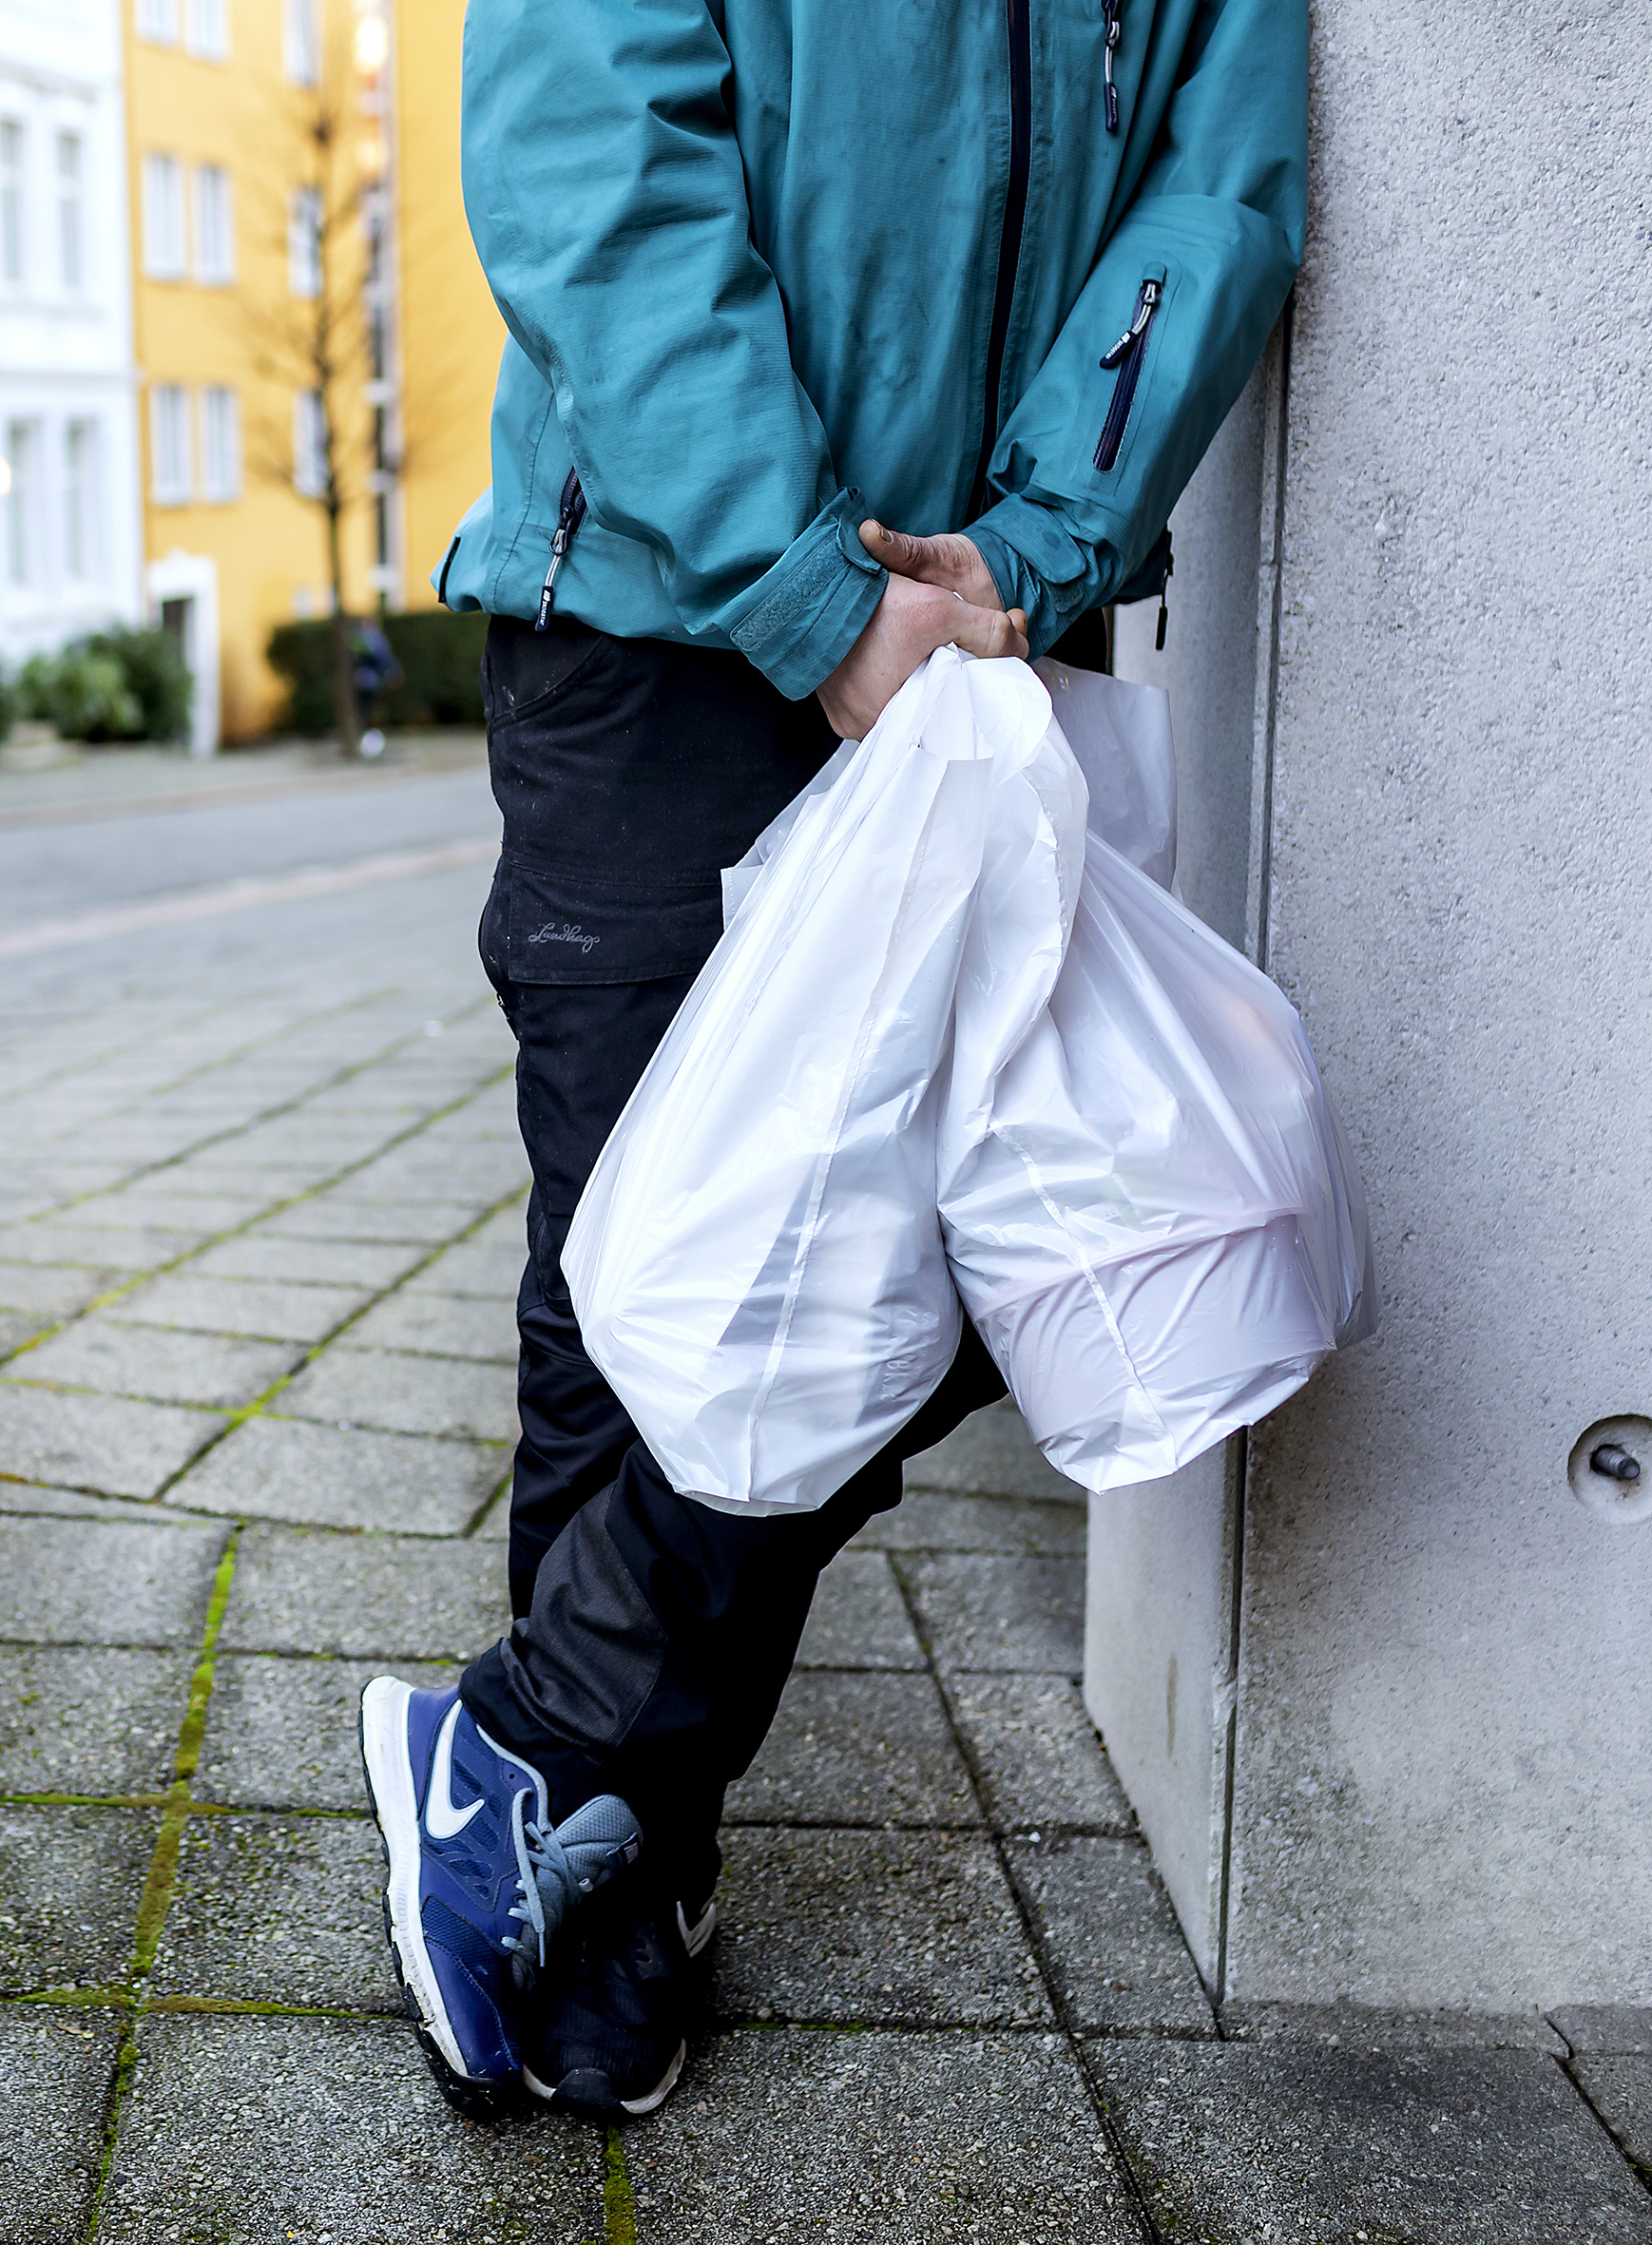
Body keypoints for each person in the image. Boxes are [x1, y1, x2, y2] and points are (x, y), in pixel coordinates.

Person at [358, 0, 1308, 2122]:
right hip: (655, 617)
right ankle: (620, 1856)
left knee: (983, 1253)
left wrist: (1028, 554)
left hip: (988, 629)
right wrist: (809, 589)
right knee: (642, 1264)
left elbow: (1216, 186)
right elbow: (591, 146)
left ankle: (538, 1747)